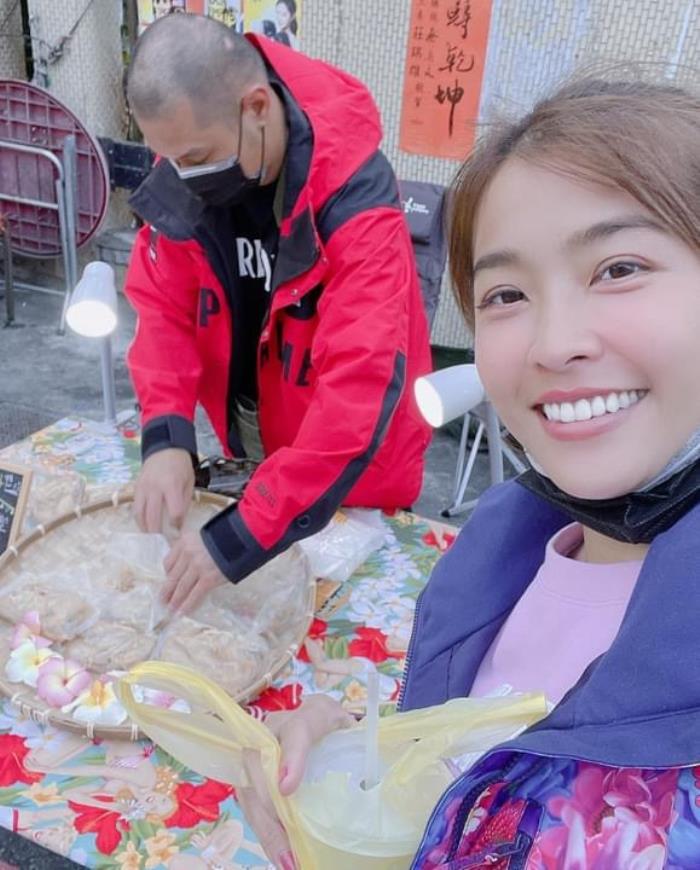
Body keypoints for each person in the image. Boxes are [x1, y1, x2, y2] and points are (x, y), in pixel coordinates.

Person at [236, 76, 700, 868]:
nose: (554, 343)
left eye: (619, 268)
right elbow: (475, 764)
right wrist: (354, 754)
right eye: (507, 293)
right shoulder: (503, 552)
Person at [123, 14, 432, 613]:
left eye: (196, 156)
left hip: (353, 473)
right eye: (169, 160)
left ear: (257, 107)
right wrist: (166, 436)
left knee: (338, 621)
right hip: (256, 440)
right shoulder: (190, 158)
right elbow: (161, 306)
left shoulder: (353, 196)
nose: (184, 176)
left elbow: (359, 388)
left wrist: (243, 532)